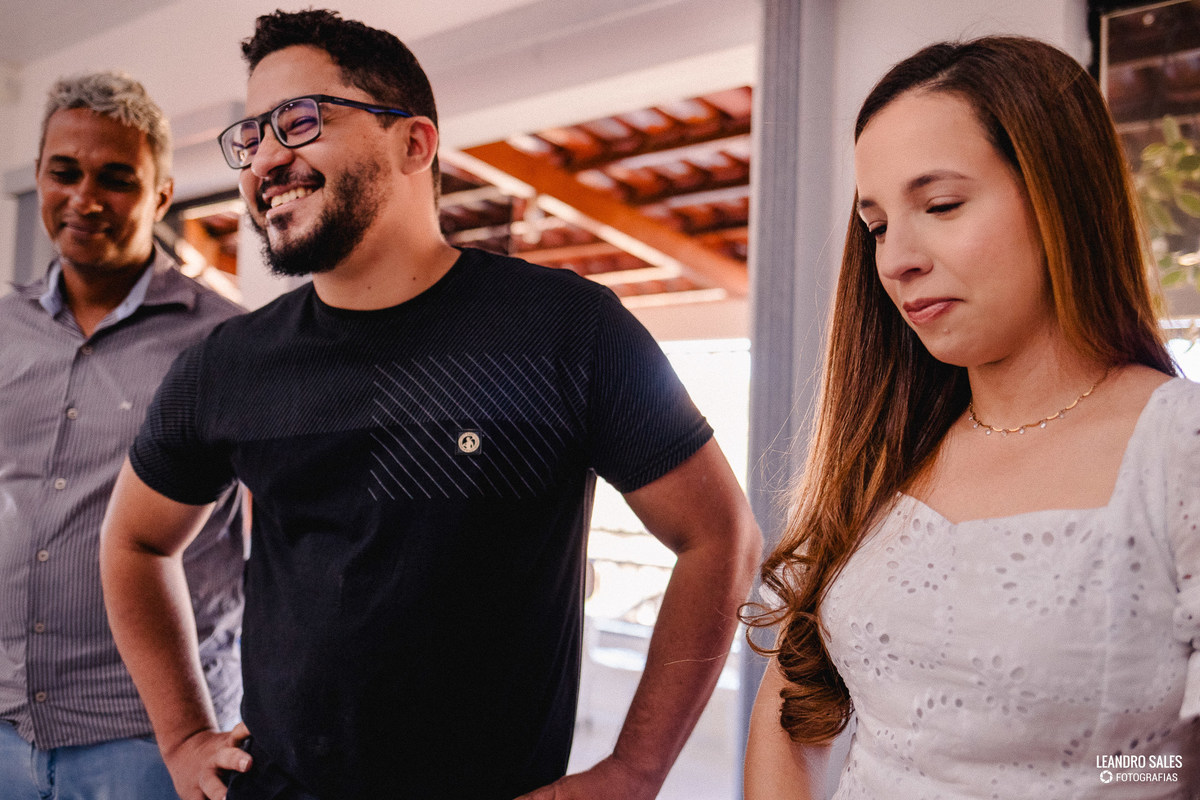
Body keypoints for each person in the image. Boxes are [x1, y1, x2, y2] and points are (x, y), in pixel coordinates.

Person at [99, 9, 762, 800]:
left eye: (300, 121)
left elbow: (720, 537)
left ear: (414, 143)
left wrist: (635, 771)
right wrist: (180, 736)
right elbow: (134, 541)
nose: (266, 158)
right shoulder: (226, 364)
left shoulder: (564, 328)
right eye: (251, 136)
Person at [743, 35, 1200, 800]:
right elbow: (793, 716)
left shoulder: (1178, 446)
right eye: (877, 225)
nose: (896, 260)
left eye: (941, 206)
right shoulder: (886, 449)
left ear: (1059, 195)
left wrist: (1087, 777)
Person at [0, 71, 245, 799]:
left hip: (150, 739)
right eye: (64, 173)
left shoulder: (227, 342)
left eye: (116, 179)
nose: (85, 199)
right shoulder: (3, 328)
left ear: (161, 195)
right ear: (39, 176)